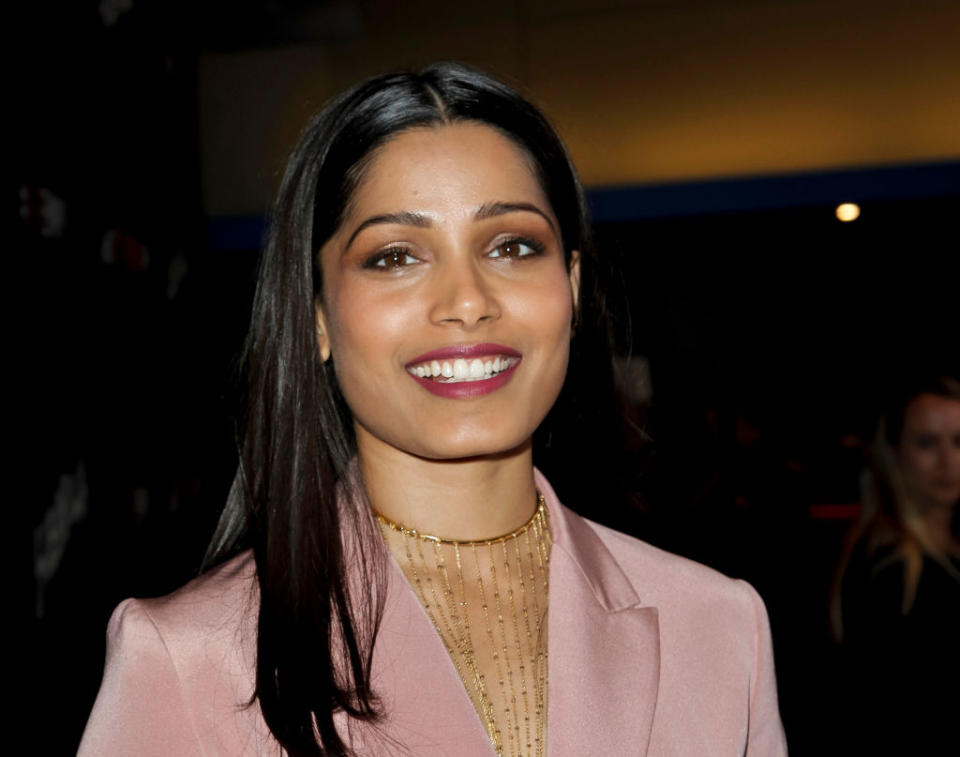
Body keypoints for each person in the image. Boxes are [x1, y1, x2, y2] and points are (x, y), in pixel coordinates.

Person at [79, 62, 787, 757]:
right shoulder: (187, 658)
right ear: (317, 313)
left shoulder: (720, 627)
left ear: (571, 288)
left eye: (512, 246)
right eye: (395, 256)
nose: (467, 300)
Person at [832, 375, 960, 753]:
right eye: (926, 442)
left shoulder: (941, 551)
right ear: (894, 449)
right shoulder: (891, 567)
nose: (946, 460)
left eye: (958, 442)